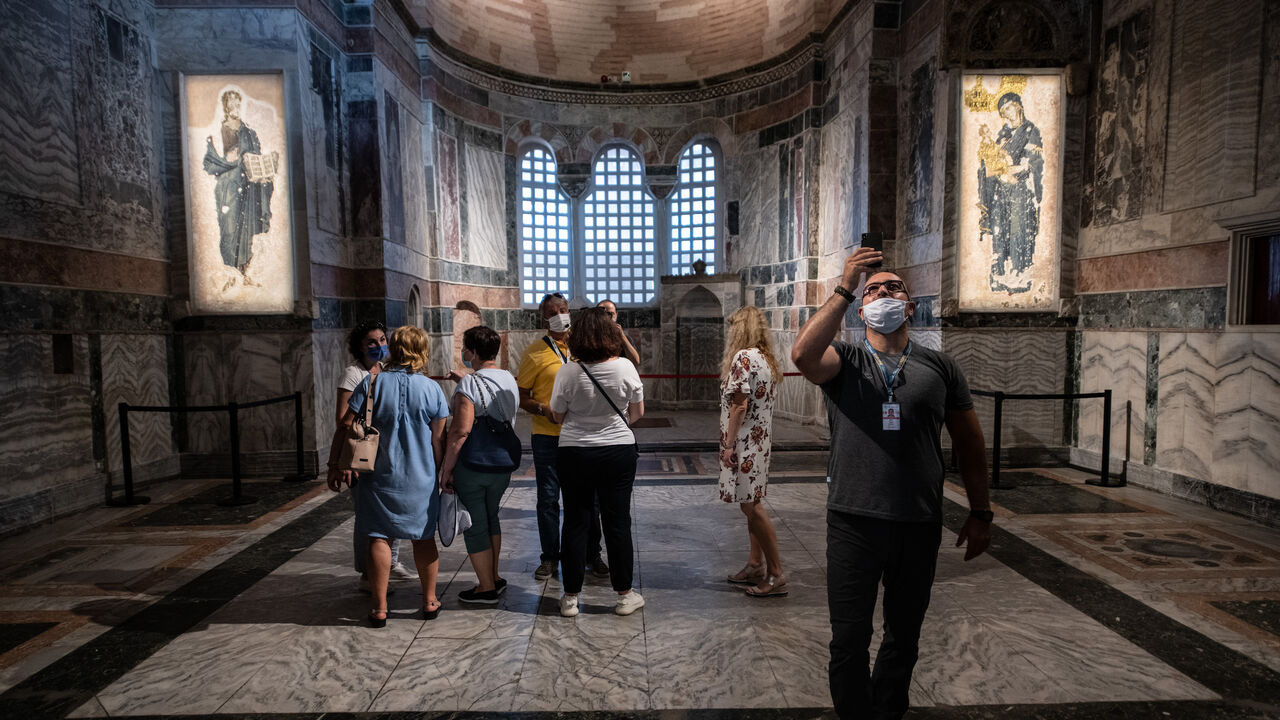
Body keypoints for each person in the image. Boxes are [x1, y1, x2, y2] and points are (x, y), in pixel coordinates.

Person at [791, 247, 993, 719]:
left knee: (904, 637)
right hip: (853, 520)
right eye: (874, 290)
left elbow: (970, 444)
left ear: (910, 306)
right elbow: (802, 354)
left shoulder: (940, 367)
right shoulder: (844, 359)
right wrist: (845, 286)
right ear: (862, 310)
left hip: (917, 521)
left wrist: (981, 512)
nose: (883, 292)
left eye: (893, 287)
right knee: (848, 640)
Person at [326, 325, 451, 627]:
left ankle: (379, 607)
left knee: (379, 537)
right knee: (423, 538)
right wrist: (441, 474)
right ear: (422, 352)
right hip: (421, 477)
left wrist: (335, 463)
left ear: (393, 349)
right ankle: (430, 601)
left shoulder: (372, 384)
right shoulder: (432, 389)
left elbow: (345, 424)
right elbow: (438, 440)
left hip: (379, 475)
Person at [548, 307, 646, 617]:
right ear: (610, 335)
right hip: (617, 451)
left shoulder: (567, 371)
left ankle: (571, 598)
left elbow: (557, 415)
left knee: (577, 522)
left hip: (574, 451)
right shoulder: (626, 368)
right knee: (617, 522)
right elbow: (637, 414)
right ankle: (624, 595)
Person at [516, 293, 607, 581]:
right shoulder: (535, 352)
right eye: (552, 311)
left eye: (563, 309)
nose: (559, 314)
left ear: (570, 312)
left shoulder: (585, 348)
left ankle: (593, 554)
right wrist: (542, 409)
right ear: (544, 317)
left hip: (582, 434)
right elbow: (522, 396)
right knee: (548, 499)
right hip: (548, 437)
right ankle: (549, 558)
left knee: (588, 499)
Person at [439, 325, 520, 604]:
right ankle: (494, 577)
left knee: (475, 524)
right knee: (491, 516)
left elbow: (460, 431)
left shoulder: (470, 385)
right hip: (502, 463)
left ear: (472, 351)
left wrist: (447, 469)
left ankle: (485, 587)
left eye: (465, 347)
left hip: (474, 465)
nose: (463, 352)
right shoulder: (508, 378)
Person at [336, 321, 417, 594]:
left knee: (387, 515)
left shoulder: (384, 370)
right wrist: (341, 463)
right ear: (359, 346)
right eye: (372, 342)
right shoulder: (353, 374)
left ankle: (389, 563)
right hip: (363, 453)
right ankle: (368, 574)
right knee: (367, 518)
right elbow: (343, 420)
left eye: (382, 340)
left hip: (385, 454)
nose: (379, 346)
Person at [718, 306, 786, 597]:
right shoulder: (765, 359)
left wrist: (729, 444)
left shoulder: (742, 357)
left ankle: (776, 573)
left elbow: (740, 406)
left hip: (745, 442)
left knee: (751, 507)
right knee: (752, 501)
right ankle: (755, 564)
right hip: (760, 442)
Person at [202, 89, 275, 286]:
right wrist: (227, 159)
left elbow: (256, 155)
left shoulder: (249, 131)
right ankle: (229, 273)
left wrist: (264, 170)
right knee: (229, 228)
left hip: (249, 186)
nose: (234, 107)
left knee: (247, 228)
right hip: (228, 186)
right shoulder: (217, 132)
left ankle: (244, 273)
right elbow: (209, 161)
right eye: (231, 103)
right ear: (225, 106)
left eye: (237, 103)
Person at [977, 91, 1043, 294]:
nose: (1005, 115)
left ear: (1018, 106)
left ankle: (1019, 276)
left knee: (1018, 232)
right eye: (1002, 112)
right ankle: (999, 276)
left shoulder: (1030, 130)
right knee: (999, 232)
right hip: (1000, 192)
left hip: (1020, 192)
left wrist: (1006, 169)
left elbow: (1031, 163)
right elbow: (989, 162)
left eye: (1007, 109)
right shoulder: (1003, 135)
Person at [595, 299, 641, 367]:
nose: (608, 318)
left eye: (611, 314)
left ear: (616, 314)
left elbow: (636, 362)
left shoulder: (625, 338)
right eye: (604, 314)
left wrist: (622, 337)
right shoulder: (591, 338)